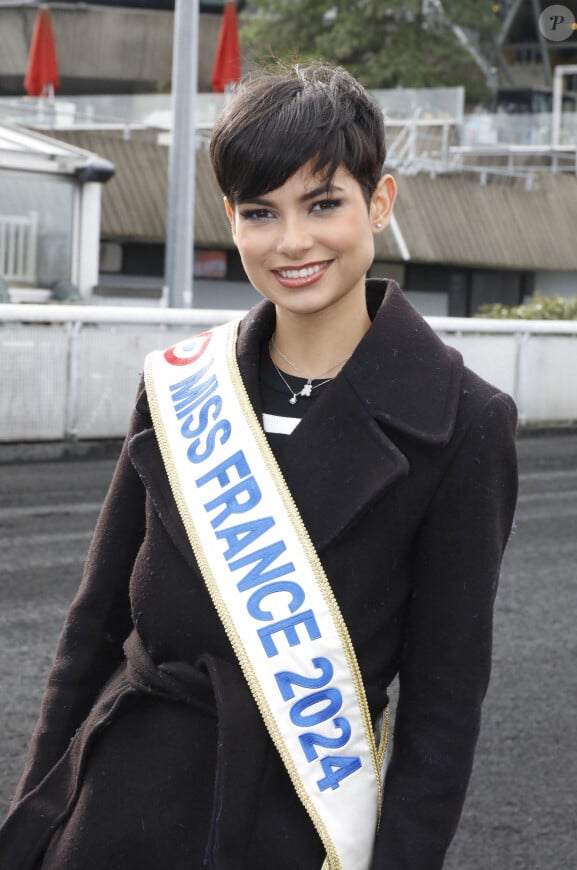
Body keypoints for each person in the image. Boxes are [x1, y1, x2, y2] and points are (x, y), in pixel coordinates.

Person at [0, 63, 518, 869]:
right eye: (259, 212)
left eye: (323, 204)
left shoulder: (465, 423)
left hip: (287, 823)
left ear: (380, 202)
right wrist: (34, 820)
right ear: (233, 221)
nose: (292, 242)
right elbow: (91, 631)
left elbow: (443, 714)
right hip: (110, 810)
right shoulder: (180, 384)